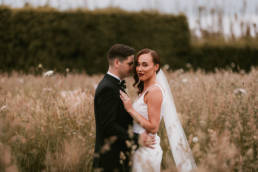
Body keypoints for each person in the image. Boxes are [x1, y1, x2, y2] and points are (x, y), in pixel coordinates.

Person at [120, 48, 197, 172]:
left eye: (145, 65)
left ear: (156, 67)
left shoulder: (155, 91)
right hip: (140, 145)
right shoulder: (145, 90)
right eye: (138, 64)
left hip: (147, 149)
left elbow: (154, 127)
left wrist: (130, 109)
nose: (139, 69)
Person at [93, 44, 155, 172]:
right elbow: (108, 126)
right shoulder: (107, 88)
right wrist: (137, 138)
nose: (134, 68)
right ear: (117, 62)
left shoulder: (115, 85)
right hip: (110, 160)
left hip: (119, 156)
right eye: (130, 64)